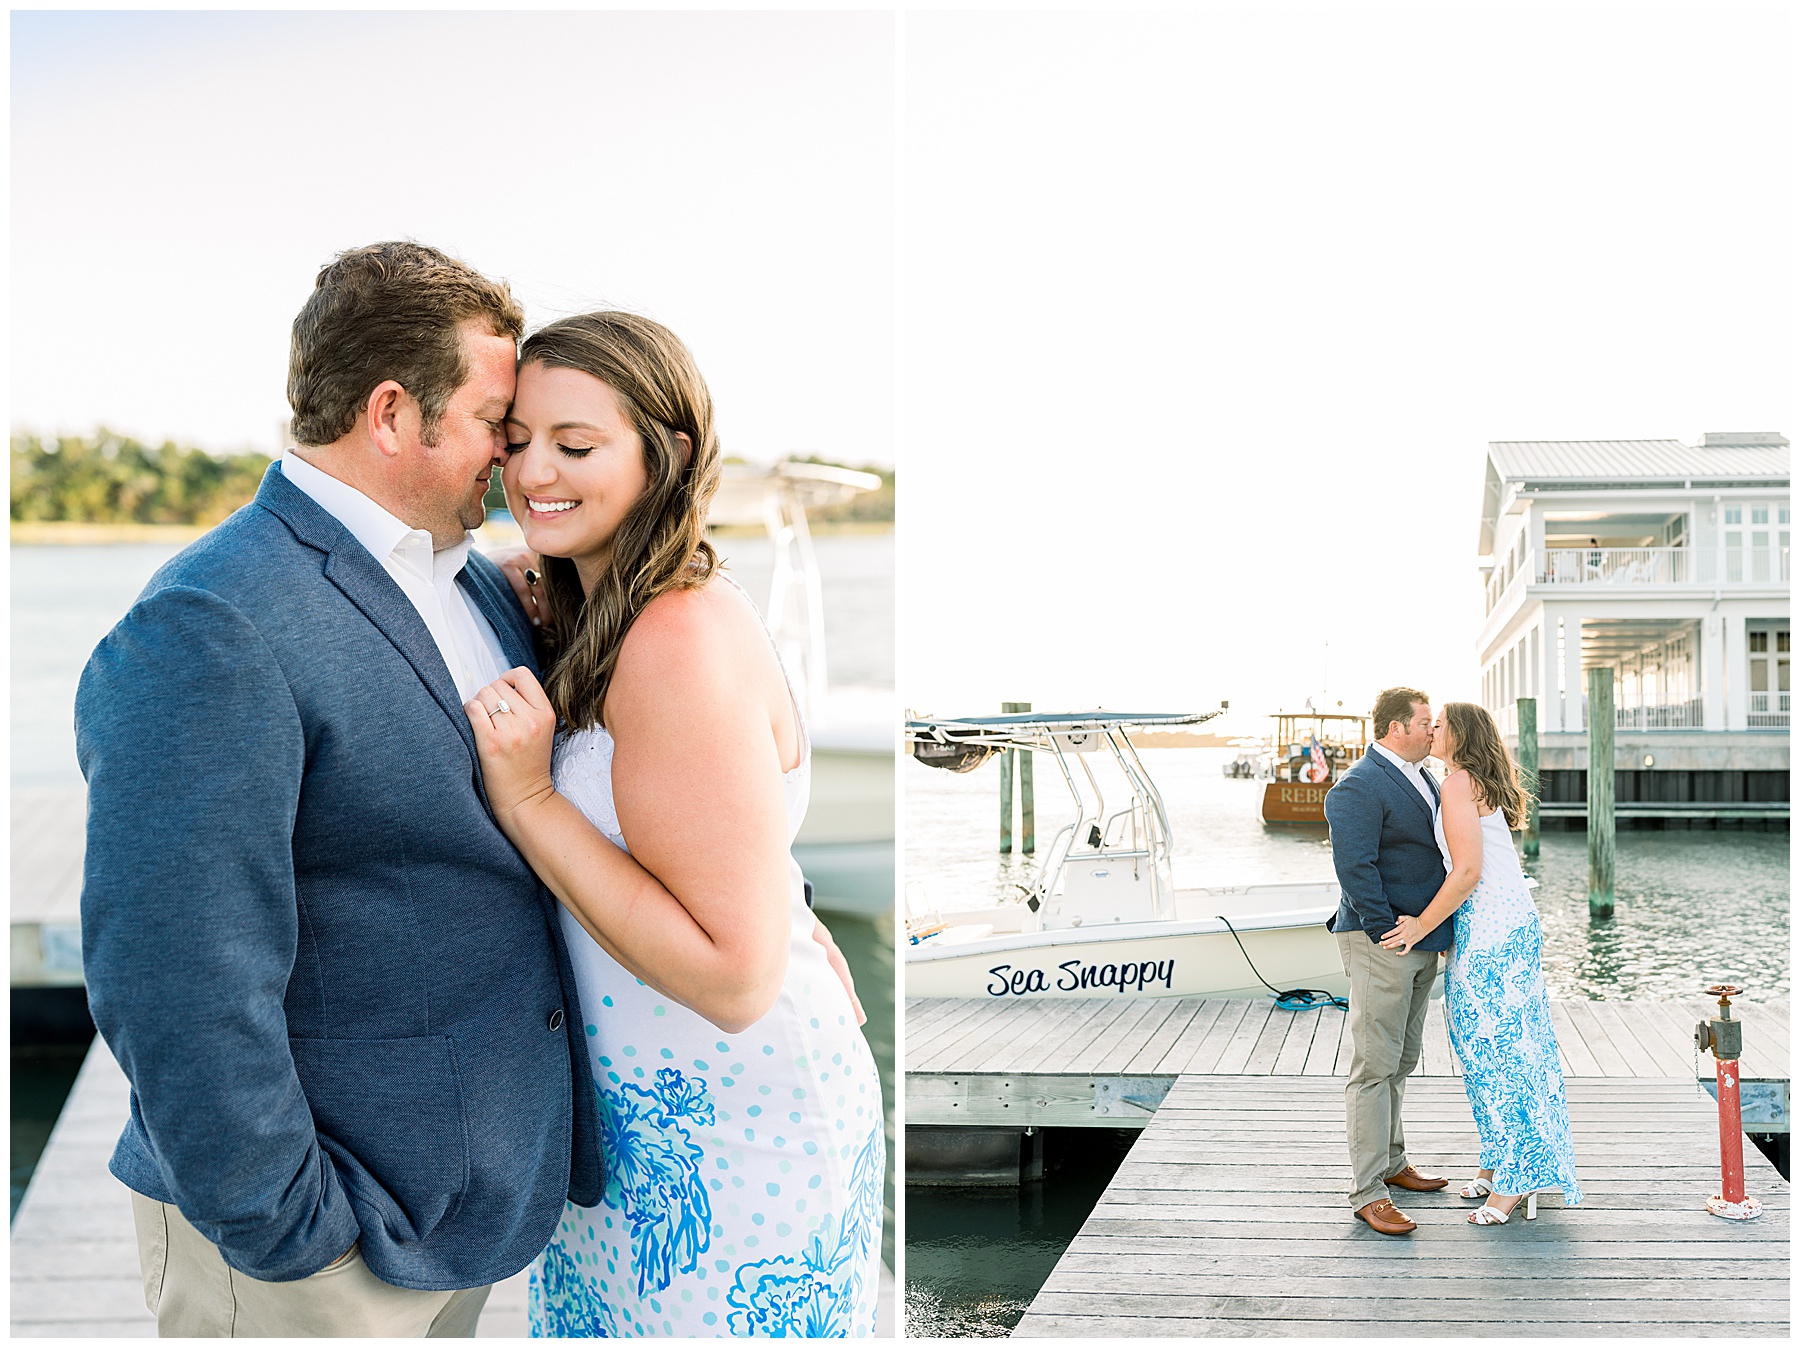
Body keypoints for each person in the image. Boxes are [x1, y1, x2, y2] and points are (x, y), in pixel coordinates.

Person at [465, 312, 884, 1337]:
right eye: (516, 442)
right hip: (651, 1129)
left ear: (669, 454)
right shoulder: (612, 610)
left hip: (732, 1139)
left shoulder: (678, 636)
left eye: (576, 444)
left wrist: (527, 799)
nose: (533, 472)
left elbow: (734, 979)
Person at [1379, 702, 1582, 1226]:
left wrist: (1421, 926)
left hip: (1495, 928)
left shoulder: (1458, 783)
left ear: (1460, 734)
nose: (1433, 730)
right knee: (1491, 1045)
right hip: (1496, 924)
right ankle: (1499, 1161)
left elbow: (1467, 870)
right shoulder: (1466, 781)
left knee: (1498, 1049)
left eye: (1440, 725)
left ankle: (1515, 1179)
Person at [1322, 687, 1453, 1237]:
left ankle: (1394, 1166)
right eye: (1425, 722)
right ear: (1397, 727)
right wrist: (1384, 933)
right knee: (1374, 1068)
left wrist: (1431, 931)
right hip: (1384, 943)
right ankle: (1367, 1192)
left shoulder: (1424, 776)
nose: (1433, 730)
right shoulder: (1356, 786)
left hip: (1422, 940)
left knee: (1401, 1060)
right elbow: (1356, 869)